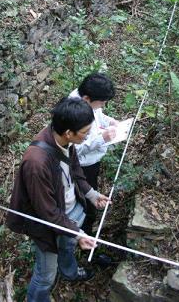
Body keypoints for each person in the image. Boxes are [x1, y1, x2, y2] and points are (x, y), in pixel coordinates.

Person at [6, 97, 110, 302]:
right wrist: (78, 234)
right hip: (47, 225)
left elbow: (75, 169)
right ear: (69, 132)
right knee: (45, 276)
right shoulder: (36, 163)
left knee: (67, 245)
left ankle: (69, 272)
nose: (88, 136)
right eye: (85, 133)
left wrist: (91, 194)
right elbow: (47, 212)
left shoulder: (64, 138)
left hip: (68, 213)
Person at [69, 73, 118, 235]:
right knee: (86, 202)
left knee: (90, 195)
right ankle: (84, 236)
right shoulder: (73, 115)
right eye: (102, 102)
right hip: (82, 166)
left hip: (91, 162)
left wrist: (108, 121)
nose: (103, 105)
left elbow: (97, 114)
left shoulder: (85, 99)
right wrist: (102, 138)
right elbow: (74, 150)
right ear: (86, 99)